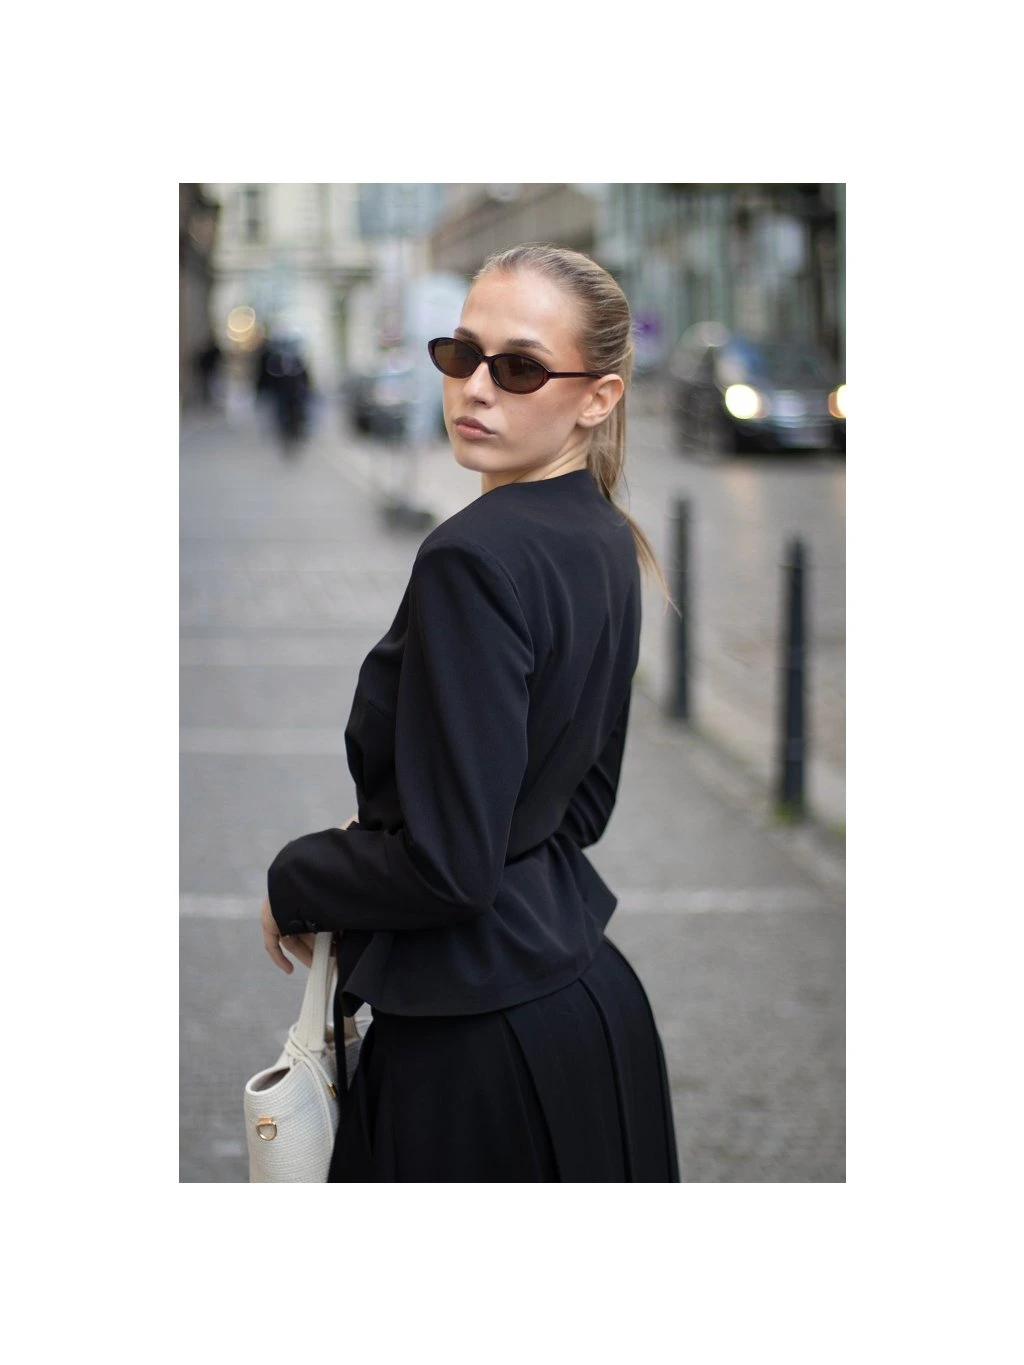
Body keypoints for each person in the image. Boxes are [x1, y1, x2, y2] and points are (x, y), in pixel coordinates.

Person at [260, 243, 680, 1182]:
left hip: (473, 1054)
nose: (475, 387)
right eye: (461, 354)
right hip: (593, 1012)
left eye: (520, 366)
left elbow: (450, 868)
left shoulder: (472, 556)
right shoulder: (606, 534)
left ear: (599, 397)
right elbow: (580, 809)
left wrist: (297, 875)